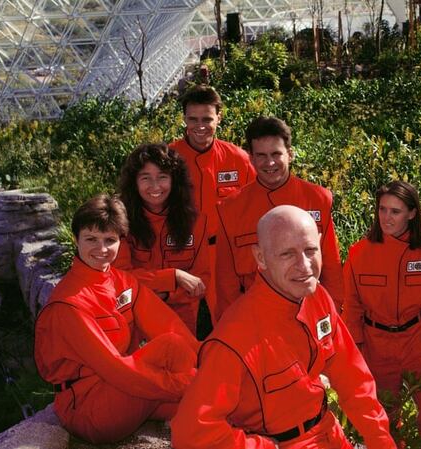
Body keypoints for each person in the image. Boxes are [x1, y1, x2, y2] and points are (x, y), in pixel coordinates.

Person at [171, 205, 396, 449]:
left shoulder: (317, 297)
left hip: (329, 434)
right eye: (287, 254)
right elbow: (189, 432)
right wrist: (258, 446)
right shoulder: (234, 338)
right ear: (260, 258)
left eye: (310, 250)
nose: (305, 266)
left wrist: (381, 441)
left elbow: (353, 378)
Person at [34, 194, 199, 444]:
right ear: (76, 239)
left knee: (176, 349)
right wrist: (187, 383)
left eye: (110, 240)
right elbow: (118, 371)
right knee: (196, 395)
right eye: (91, 239)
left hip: (125, 391)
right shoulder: (68, 304)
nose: (101, 249)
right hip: (89, 408)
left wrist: (209, 362)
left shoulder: (123, 282)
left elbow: (171, 327)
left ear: (121, 241)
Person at [215, 116, 345, 320]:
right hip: (256, 317)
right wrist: (235, 323)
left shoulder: (317, 199)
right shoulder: (230, 209)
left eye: (276, 154)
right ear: (251, 158)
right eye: (261, 155)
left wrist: (331, 315)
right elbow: (226, 281)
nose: (270, 163)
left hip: (309, 312)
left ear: (290, 154)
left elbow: (331, 267)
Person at [342, 181, 421, 431]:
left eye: (395, 211)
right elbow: (352, 309)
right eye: (382, 209)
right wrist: (358, 356)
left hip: (417, 343)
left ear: (412, 214)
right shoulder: (359, 253)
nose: (386, 218)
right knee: (383, 419)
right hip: (375, 345)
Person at [114, 143, 214, 337]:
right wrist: (173, 277)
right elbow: (120, 277)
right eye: (145, 178)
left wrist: (166, 294)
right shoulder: (121, 221)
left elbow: (202, 282)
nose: (155, 186)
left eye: (162, 177)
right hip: (135, 319)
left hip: (181, 322)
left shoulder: (196, 222)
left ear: (175, 180)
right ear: (134, 182)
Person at [169, 84, 256, 230]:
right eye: (193, 119)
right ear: (185, 119)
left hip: (226, 242)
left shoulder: (239, 159)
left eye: (207, 119)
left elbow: (257, 203)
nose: (200, 126)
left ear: (218, 118)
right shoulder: (167, 158)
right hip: (182, 242)